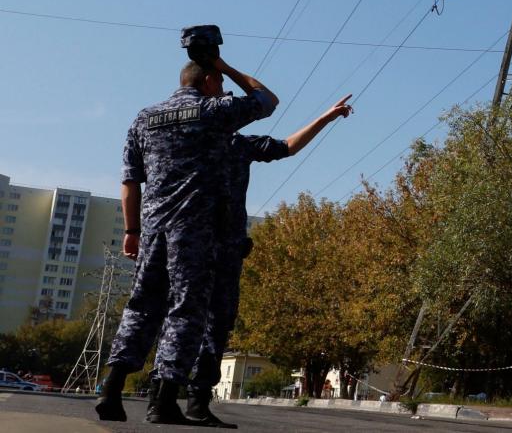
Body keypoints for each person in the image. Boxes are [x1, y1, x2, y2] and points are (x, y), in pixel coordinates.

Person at [95, 56, 278, 424]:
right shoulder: (213, 112)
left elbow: (130, 181)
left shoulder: (143, 118)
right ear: (209, 80)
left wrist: (132, 232)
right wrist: (226, 65)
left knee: (141, 307)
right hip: (193, 232)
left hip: (152, 230)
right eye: (219, 81)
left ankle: (112, 390)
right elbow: (267, 100)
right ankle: (163, 402)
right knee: (186, 310)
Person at [181, 94, 354, 428]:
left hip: (215, 249)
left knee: (211, 325)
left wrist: (325, 118)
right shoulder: (189, 142)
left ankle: (193, 399)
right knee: (186, 321)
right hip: (192, 246)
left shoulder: (238, 145)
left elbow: (288, 146)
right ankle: (171, 395)